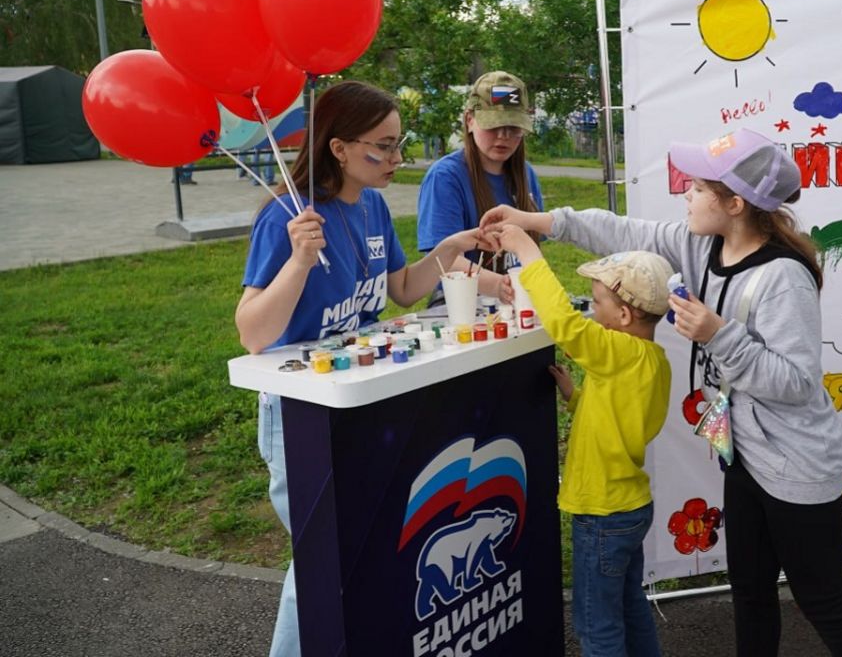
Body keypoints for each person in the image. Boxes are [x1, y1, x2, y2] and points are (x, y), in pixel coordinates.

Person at [482, 126, 842, 657]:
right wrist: (537, 222)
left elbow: (795, 383)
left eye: (697, 188)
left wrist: (719, 334)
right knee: (751, 593)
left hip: (797, 468)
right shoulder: (702, 244)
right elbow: (622, 230)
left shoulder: (783, 277)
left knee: (823, 600)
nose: (685, 196)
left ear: (735, 203)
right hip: (742, 457)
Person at [234, 81, 492, 657]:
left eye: (399, 145)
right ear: (339, 147)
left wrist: (450, 248)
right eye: (384, 147)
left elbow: (400, 290)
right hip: (301, 414)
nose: (397, 160)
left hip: (367, 403)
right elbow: (252, 332)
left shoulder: (372, 205)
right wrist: (300, 262)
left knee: (364, 547)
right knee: (322, 559)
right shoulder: (286, 218)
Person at [493, 224, 671, 657]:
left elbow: (564, 325)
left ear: (624, 317)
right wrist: (575, 396)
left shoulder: (617, 351)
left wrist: (526, 251)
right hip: (630, 507)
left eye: (597, 302)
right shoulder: (652, 360)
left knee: (597, 626)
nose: (591, 310)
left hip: (601, 512)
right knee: (630, 607)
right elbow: (625, 418)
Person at [417, 71, 543, 301]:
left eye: (514, 128)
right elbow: (443, 260)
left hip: (519, 299)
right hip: (463, 303)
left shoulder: (527, 174)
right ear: (469, 120)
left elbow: (534, 248)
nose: (503, 136)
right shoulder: (445, 177)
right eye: (493, 126)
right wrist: (499, 286)